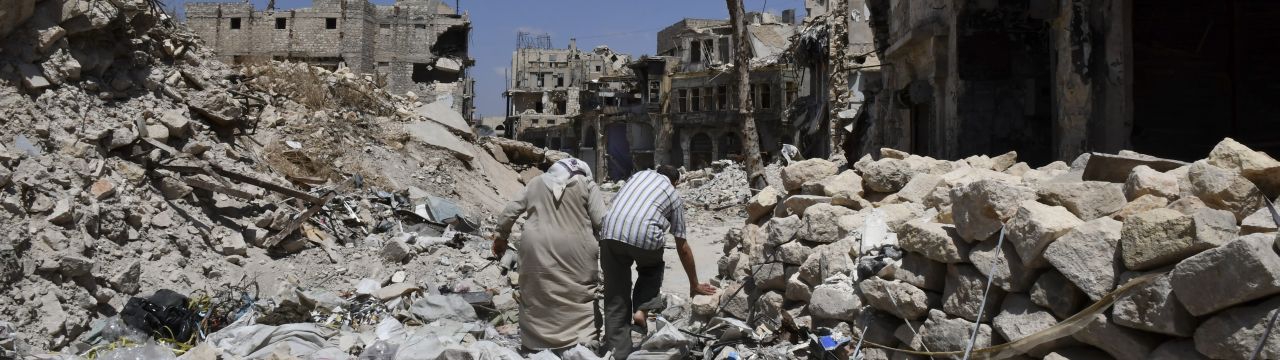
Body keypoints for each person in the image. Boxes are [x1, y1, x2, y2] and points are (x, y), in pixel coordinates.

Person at [598, 165, 718, 359]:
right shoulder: (672, 194)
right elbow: (682, 245)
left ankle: (617, 352)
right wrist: (694, 284)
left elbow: (616, 203)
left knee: (615, 294)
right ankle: (642, 309)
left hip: (610, 230)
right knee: (651, 269)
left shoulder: (638, 175)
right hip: (644, 235)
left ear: (657, 172)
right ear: (675, 182)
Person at [493, 158, 607, 352]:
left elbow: (510, 211)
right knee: (579, 293)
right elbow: (602, 222)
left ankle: (535, 344)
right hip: (577, 248)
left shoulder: (535, 182)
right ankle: (582, 341)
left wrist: (501, 237)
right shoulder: (587, 184)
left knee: (536, 291)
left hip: (535, 247)